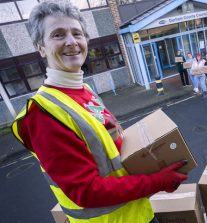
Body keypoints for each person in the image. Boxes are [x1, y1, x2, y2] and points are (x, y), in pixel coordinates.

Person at [11, 1, 188, 222]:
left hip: (138, 213)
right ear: (41, 47)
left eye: (77, 33)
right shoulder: (42, 114)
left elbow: (112, 144)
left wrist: (152, 160)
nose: (71, 42)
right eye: (58, 34)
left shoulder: (84, 90)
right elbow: (86, 191)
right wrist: (157, 181)